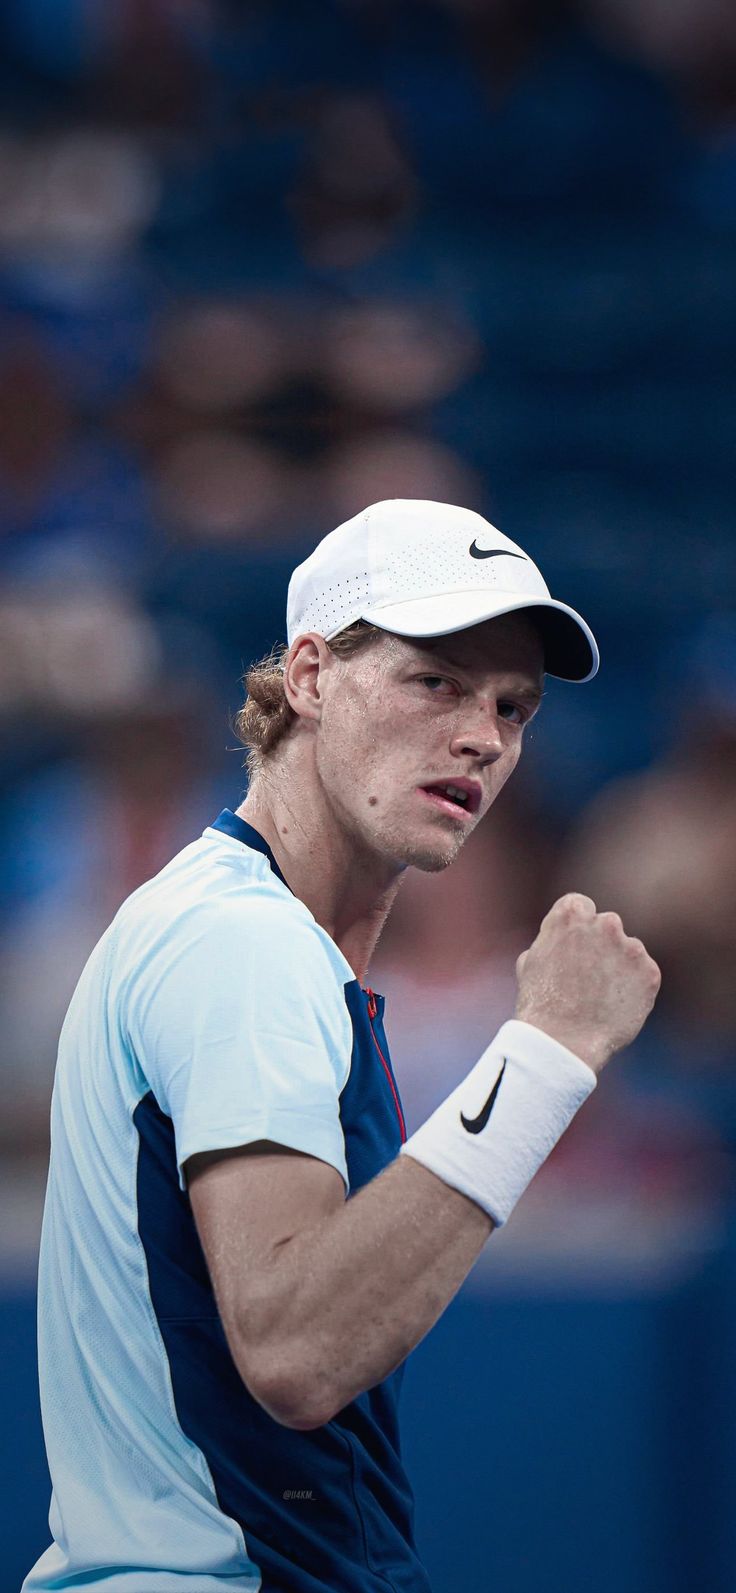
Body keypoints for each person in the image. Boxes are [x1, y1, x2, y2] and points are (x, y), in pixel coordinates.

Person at [23, 498, 661, 1593]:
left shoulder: (246, 933)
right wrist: (546, 1053)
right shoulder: (245, 944)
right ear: (310, 678)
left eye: (514, 707)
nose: (482, 736)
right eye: (436, 683)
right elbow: (296, 1349)